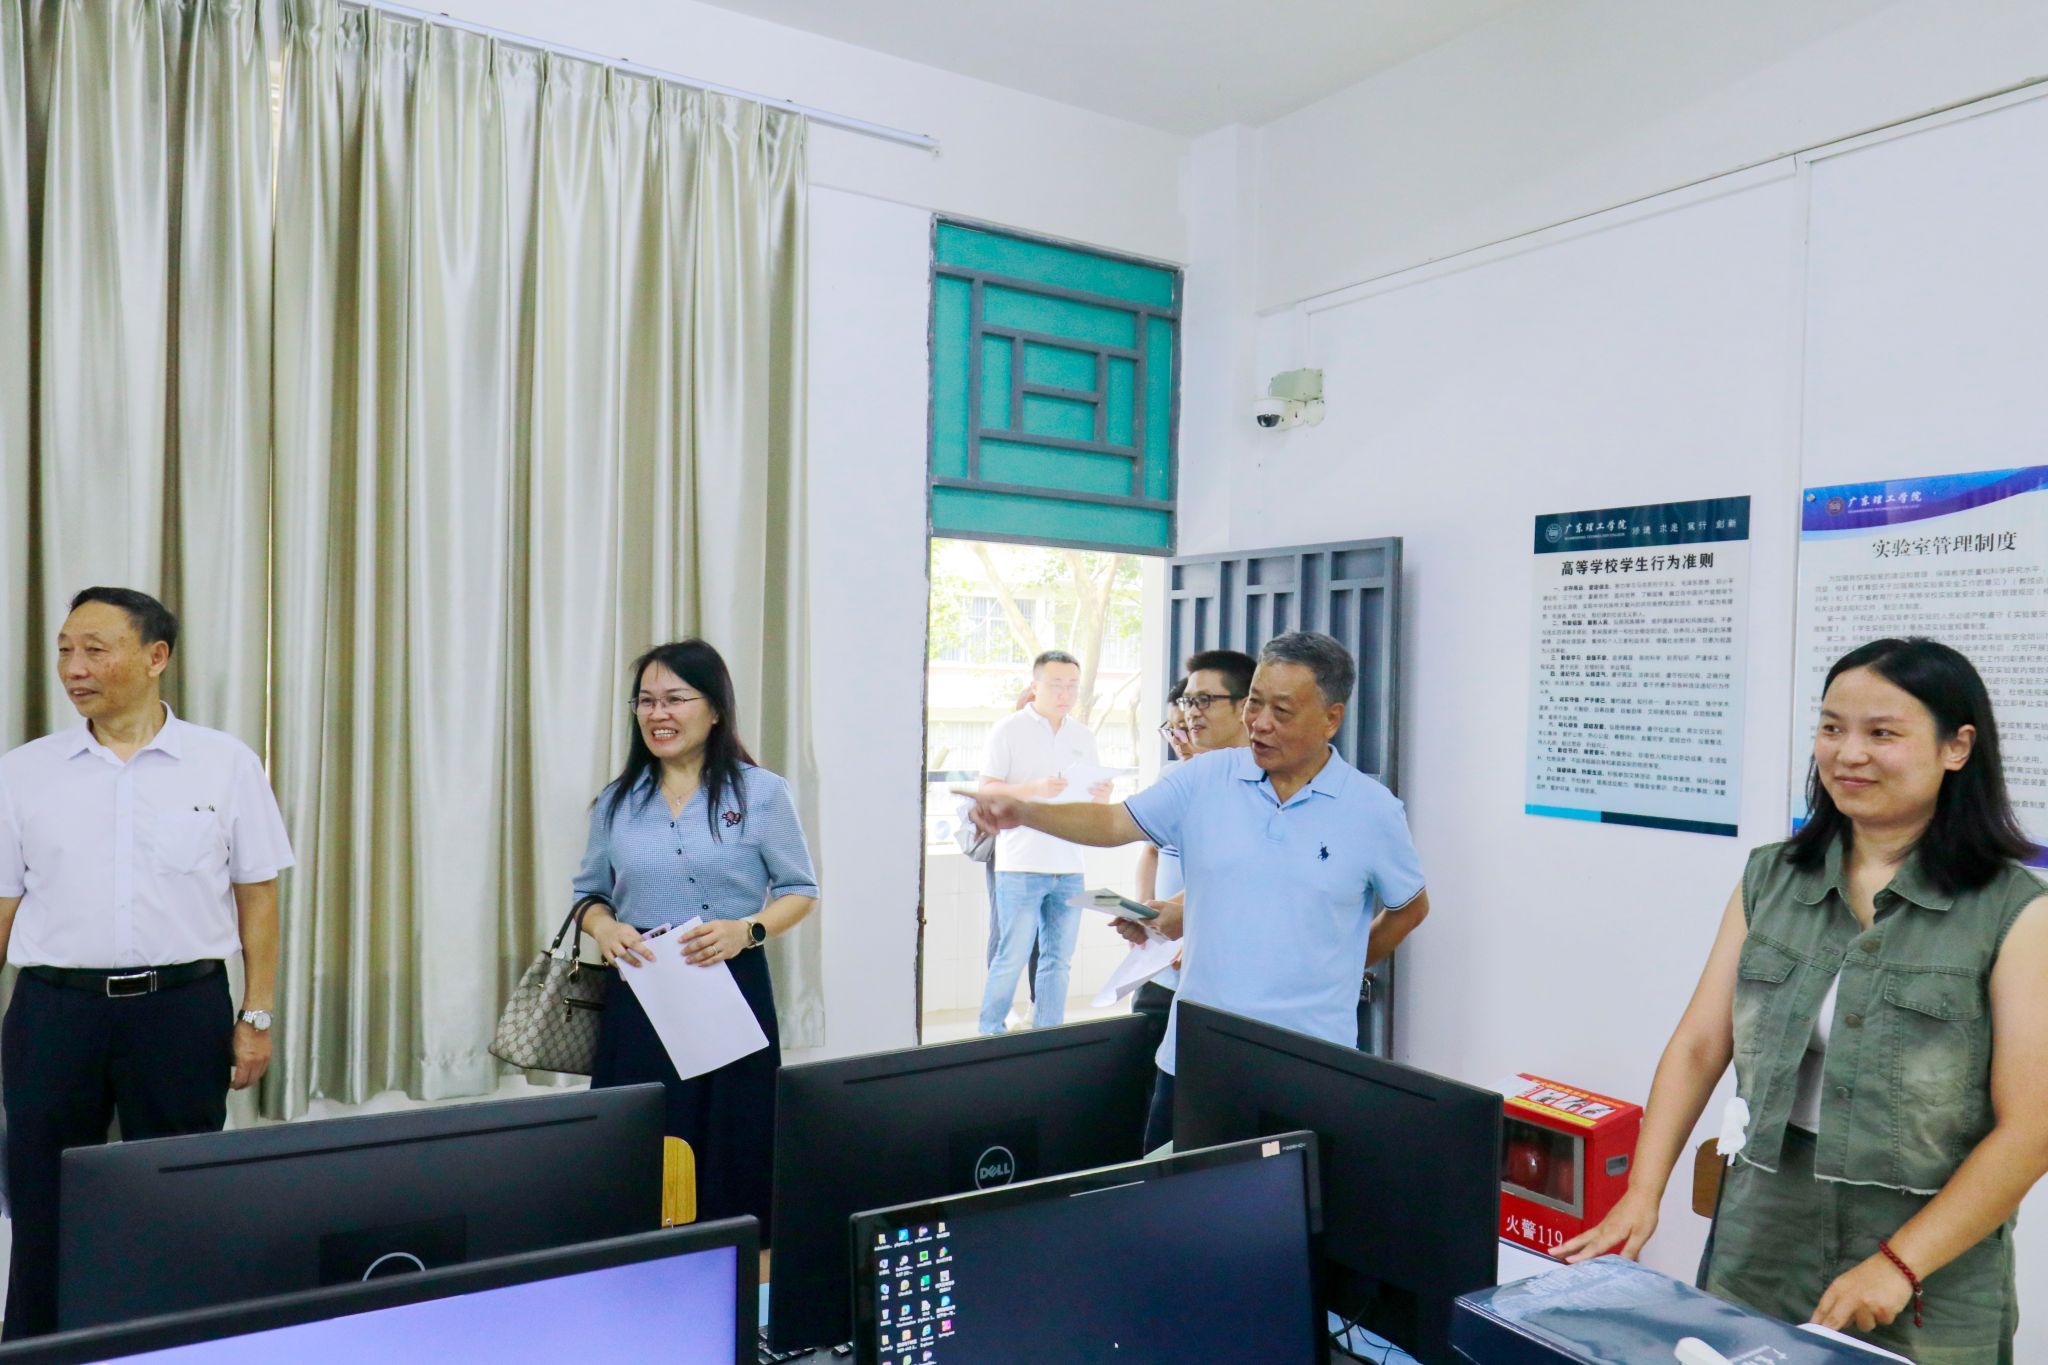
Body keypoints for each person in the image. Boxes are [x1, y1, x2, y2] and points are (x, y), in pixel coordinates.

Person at [1556, 638, 2048, 1364]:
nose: (1849, 753)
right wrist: (1642, 1192)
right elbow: (1699, 1045)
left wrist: (1901, 1263)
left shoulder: (2015, 910)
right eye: (1831, 727)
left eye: (1882, 732)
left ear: (1957, 747)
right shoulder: (1772, 877)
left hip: (1928, 1244)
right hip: (1764, 1223)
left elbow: (2031, 1128)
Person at [963, 632, 1430, 1152]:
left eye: (1281, 710)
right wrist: (1023, 810)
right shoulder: (1205, 778)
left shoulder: (1372, 810)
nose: (1260, 722)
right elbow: (1113, 822)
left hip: (1310, 1061)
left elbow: (1409, 908)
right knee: (1170, 1193)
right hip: (1196, 1057)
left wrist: (1339, 968)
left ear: (1331, 718)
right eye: (1254, 702)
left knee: (1293, 1199)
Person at [0, 588, 293, 1339]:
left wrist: (256, 1014)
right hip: (54, 1010)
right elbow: (1, 906)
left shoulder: (224, 764)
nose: (74, 668)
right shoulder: (24, 773)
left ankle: (178, 1342)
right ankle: (35, 1345)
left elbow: (258, 897)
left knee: (180, 1194)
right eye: (66, 650)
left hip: (181, 1010)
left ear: (155, 656)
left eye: (95, 650)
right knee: (40, 1196)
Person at [573, 640, 819, 1239]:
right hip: (643, 993)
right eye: (646, 701)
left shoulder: (761, 793)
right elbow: (588, 895)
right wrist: (605, 927)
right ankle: (637, 1259)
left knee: (734, 1137)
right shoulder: (616, 802)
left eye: (675, 699)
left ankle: (735, 1256)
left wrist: (747, 930)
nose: (658, 714)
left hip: (731, 983)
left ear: (714, 710)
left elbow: (800, 890)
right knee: (642, 1134)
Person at [974, 650, 1112, 1034]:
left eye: (1072, 686)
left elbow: (1091, 800)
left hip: (1069, 863)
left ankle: (1050, 1034)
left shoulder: (1083, 735)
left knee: (1058, 961)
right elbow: (986, 788)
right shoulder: (1008, 729)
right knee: (1011, 957)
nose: (1065, 693)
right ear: (1035, 686)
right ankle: (990, 1033)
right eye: (1056, 685)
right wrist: (1032, 789)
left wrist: (1101, 795)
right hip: (1021, 862)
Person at [1130, 652, 1256, 1055]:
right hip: (1162, 963)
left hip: (1215, 976)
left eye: (1203, 703)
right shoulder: (1177, 780)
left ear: (1245, 708)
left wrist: (1189, 921)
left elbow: (1243, 869)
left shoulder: (1266, 787)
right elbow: (1129, 834)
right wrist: (1147, 912)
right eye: (1177, 723)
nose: (1184, 732)